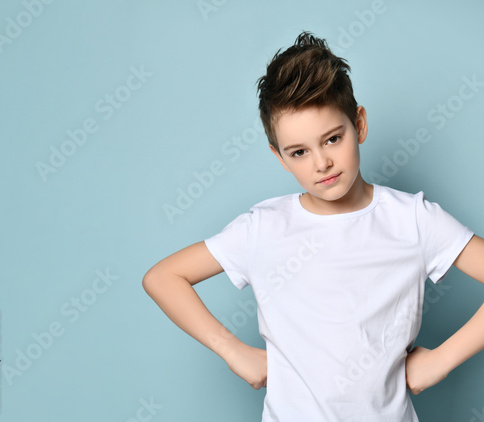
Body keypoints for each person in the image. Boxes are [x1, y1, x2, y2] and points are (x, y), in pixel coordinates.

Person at [142, 31, 484, 421]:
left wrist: (440, 361)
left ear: (360, 124)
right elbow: (163, 277)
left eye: (333, 139)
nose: (321, 163)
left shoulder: (413, 220)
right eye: (299, 152)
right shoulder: (263, 229)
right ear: (280, 157)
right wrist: (232, 350)